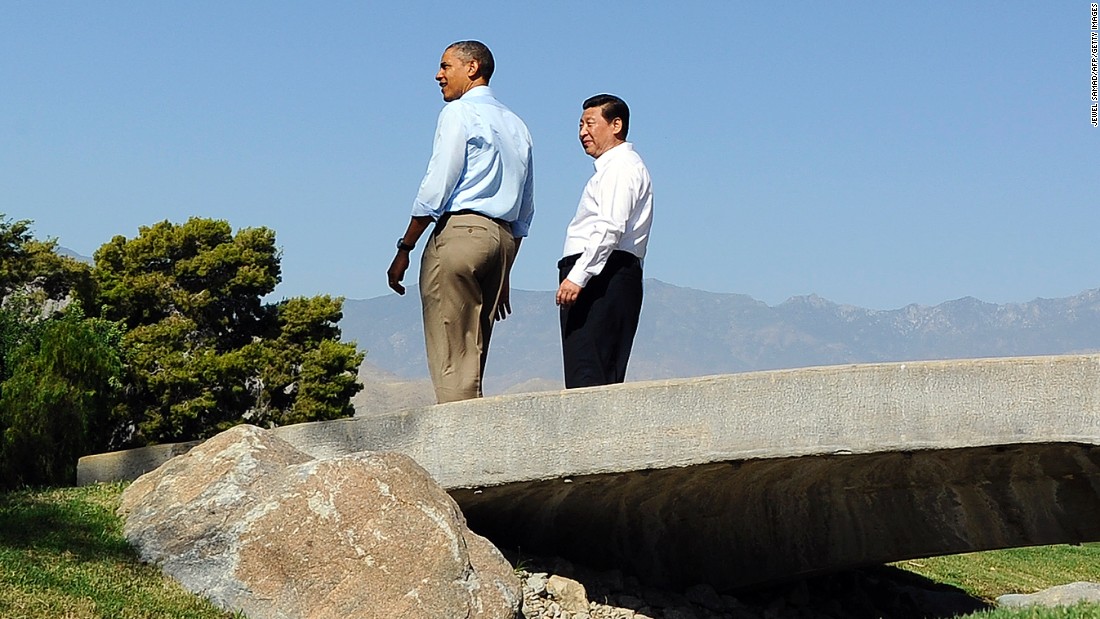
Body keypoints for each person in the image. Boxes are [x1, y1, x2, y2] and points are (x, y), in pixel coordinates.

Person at [387, 40, 534, 403]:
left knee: (451, 355)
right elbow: (525, 209)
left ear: (472, 68)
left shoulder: (459, 113)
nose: (438, 75)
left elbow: (437, 185)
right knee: (474, 350)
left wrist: (405, 246)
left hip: (461, 234)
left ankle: (457, 448)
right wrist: (506, 268)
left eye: (445, 66)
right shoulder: (517, 125)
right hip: (501, 240)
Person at [555, 94, 653, 388]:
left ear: (616, 125)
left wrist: (578, 276)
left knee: (589, 373)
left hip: (603, 275)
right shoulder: (616, 168)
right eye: (580, 125)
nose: (583, 132)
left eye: (590, 124)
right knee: (596, 371)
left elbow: (610, 226)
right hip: (608, 271)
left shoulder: (620, 168)